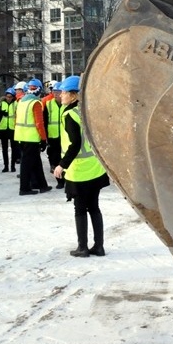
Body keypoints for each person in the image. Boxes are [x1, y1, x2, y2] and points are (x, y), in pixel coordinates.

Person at [53, 76, 109, 257]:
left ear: (74, 95)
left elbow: (75, 144)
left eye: (63, 92)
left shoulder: (69, 114)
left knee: (80, 209)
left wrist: (62, 165)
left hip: (80, 171)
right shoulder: (86, 110)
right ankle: (99, 247)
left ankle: (82, 247)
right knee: (94, 207)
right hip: (95, 168)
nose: (60, 95)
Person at [14, 78, 49, 195]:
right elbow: (39, 123)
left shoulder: (21, 101)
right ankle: (24, 188)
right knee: (26, 165)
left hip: (21, 136)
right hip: (31, 137)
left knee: (36, 162)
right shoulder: (36, 103)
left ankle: (42, 185)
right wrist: (44, 139)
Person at [42, 80, 64, 189]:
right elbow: (44, 121)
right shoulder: (48, 104)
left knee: (64, 159)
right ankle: (59, 181)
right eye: (54, 92)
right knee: (54, 159)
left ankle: (66, 179)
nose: (55, 94)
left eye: (58, 92)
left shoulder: (67, 104)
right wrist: (45, 137)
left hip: (65, 137)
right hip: (53, 137)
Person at [0, 87, 19, 172]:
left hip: (13, 128)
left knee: (14, 148)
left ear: (13, 97)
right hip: (3, 128)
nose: (9, 98)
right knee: (4, 148)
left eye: (10, 97)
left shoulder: (16, 104)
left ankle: (12, 165)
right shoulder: (1, 104)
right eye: (7, 96)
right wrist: (0, 114)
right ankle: (6, 166)